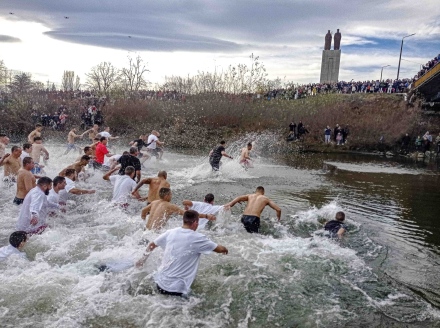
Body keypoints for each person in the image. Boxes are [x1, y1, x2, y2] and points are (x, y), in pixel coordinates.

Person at [136, 210, 228, 297]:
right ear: (195, 223)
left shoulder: (170, 232)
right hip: (177, 289)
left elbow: (151, 245)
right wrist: (225, 249)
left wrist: (142, 260)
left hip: (160, 284)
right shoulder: (198, 238)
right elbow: (220, 249)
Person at [141, 188, 215, 230]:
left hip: (146, 232)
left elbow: (143, 211)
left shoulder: (154, 202)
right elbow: (188, 214)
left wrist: (144, 220)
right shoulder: (169, 206)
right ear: (167, 196)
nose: (171, 196)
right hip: (155, 234)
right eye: (170, 194)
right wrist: (206, 216)